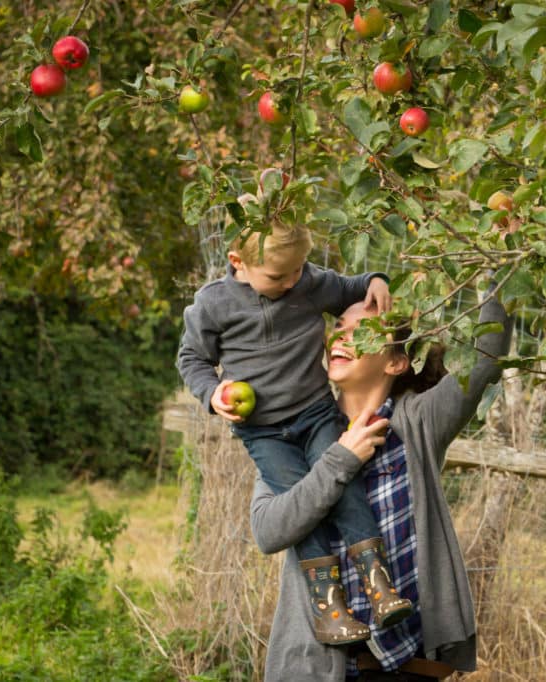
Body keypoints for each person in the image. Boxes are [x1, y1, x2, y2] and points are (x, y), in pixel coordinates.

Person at [248, 286, 511, 681]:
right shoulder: (292, 435)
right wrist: (341, 460)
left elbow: (487, 359)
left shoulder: (419, 423)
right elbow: (269, 531)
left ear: (396, 362)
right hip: (323, 667)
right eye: (339, 325)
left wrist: (499, 265)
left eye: (364, 329)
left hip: (410, 663)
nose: (342, 335)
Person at [176, 215, 412, 645]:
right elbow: (190, 358)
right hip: (264, 433)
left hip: (316, 414)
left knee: (344, 489)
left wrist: (376, 279)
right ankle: (331, 611)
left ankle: (380, 588)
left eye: (299, 270)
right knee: (303, 513)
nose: (291, 283)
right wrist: (213, 394)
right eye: (279, 276)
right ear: (237, 263)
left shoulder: (307, 282)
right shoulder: (213, 304)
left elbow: (349, 286)